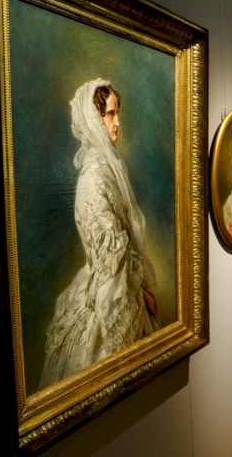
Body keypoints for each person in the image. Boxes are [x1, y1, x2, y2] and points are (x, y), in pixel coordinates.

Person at [39, 78, 160, 389]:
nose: (117, 123)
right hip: (109, 287)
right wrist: (139, 293)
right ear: (95, 119)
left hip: (123, 281)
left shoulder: (107, 168)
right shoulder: (93, 177)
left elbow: (123, 244)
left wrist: (141, 288)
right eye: (109, 114)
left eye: (118, 113)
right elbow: (110, 257)